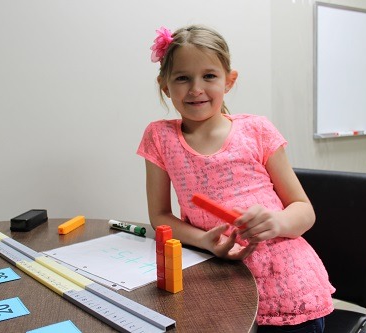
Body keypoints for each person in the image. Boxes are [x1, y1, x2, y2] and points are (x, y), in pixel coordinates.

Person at [137, 25, 335, 332]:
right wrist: (203, 239)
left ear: (229, 81)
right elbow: (160, 216)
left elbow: (303, 210)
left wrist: (277, 222)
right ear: (165, 85)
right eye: (182, 78)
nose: (196, 88)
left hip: (286, 282)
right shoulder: (159, 137)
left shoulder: (257, 130)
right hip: (216, 278)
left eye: (209, 76)